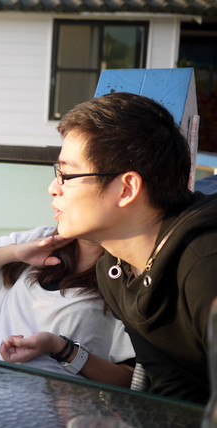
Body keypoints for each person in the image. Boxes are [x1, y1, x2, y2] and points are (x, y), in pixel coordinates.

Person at [51, 91, 217, 404]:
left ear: (127, 189)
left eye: (68, 174)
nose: (53, 187)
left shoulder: (205, 267)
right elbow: (173, 392)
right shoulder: (115, 271)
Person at [0, 226, 135, 387]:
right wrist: (14, 252)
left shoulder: (128, 277)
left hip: (49, 406)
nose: (55, 190)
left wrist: (61, 347)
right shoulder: (42, 239)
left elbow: (129, 382)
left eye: (70, 183)